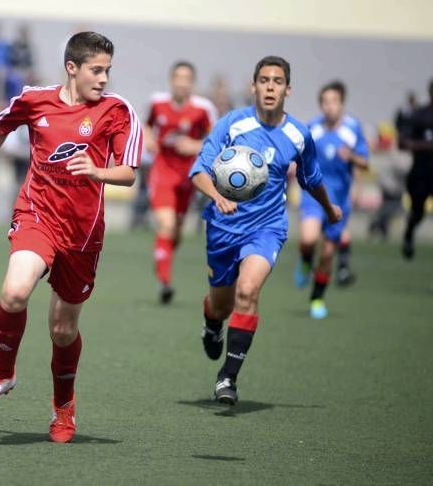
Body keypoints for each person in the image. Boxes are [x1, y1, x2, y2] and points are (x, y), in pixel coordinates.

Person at [0, 32, 141, 442]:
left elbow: (129, 172)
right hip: (37, 215)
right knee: (14, 292)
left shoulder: (117, 111)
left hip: (82, 236)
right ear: (72, 68)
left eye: (107, 71)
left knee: (62, 331)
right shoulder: (34, 99)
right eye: (96, 70)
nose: (103, 78)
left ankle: (63, 408)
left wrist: (99, 171)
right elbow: (0, 126)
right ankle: (2, 375)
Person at [189, 56, 341, 404]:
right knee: (221, 304)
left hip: (266, 228)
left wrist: (329, 207)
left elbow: (311, 178)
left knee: (248, 290)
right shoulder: (231, 124)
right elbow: (199, 169)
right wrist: (217, 195)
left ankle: (227, 378)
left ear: (288, 89)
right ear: (253, 86)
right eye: (264, 80)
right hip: (223, 228)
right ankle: (212, 323)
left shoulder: (298, 134)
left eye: (277, 81)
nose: (270, 87)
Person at [293, 82, 369, 318]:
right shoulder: (312, 129)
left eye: (334, 101)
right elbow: (297, 157)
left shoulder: (352, 129)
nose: (329, 106)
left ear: (341, 103)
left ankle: (317, 298)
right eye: (325, 102)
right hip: (313, 195)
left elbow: (365, 162)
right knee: (308, 239)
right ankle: (305, 259)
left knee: (327, 253)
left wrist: (352, 158)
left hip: (340, 200)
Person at [144, 61, 216, 303]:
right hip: (162, 172)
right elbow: (146, 124)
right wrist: (148, 139)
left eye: (187, 78)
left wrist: (195, 146)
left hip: (189, 178)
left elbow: (218, 139)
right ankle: (165, 282)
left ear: (192, 83)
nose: (182, 82)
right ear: (171, 80)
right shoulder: (157, 103)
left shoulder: (202, 109)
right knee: (166, 224)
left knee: (175, 233)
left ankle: (162, 256)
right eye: (178, 77)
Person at [400, 78, 433, 259]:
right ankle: (409, 233)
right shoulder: (420, 115)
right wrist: (425, 146)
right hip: (421, 174)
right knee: (418, 212)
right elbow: (402, 142)